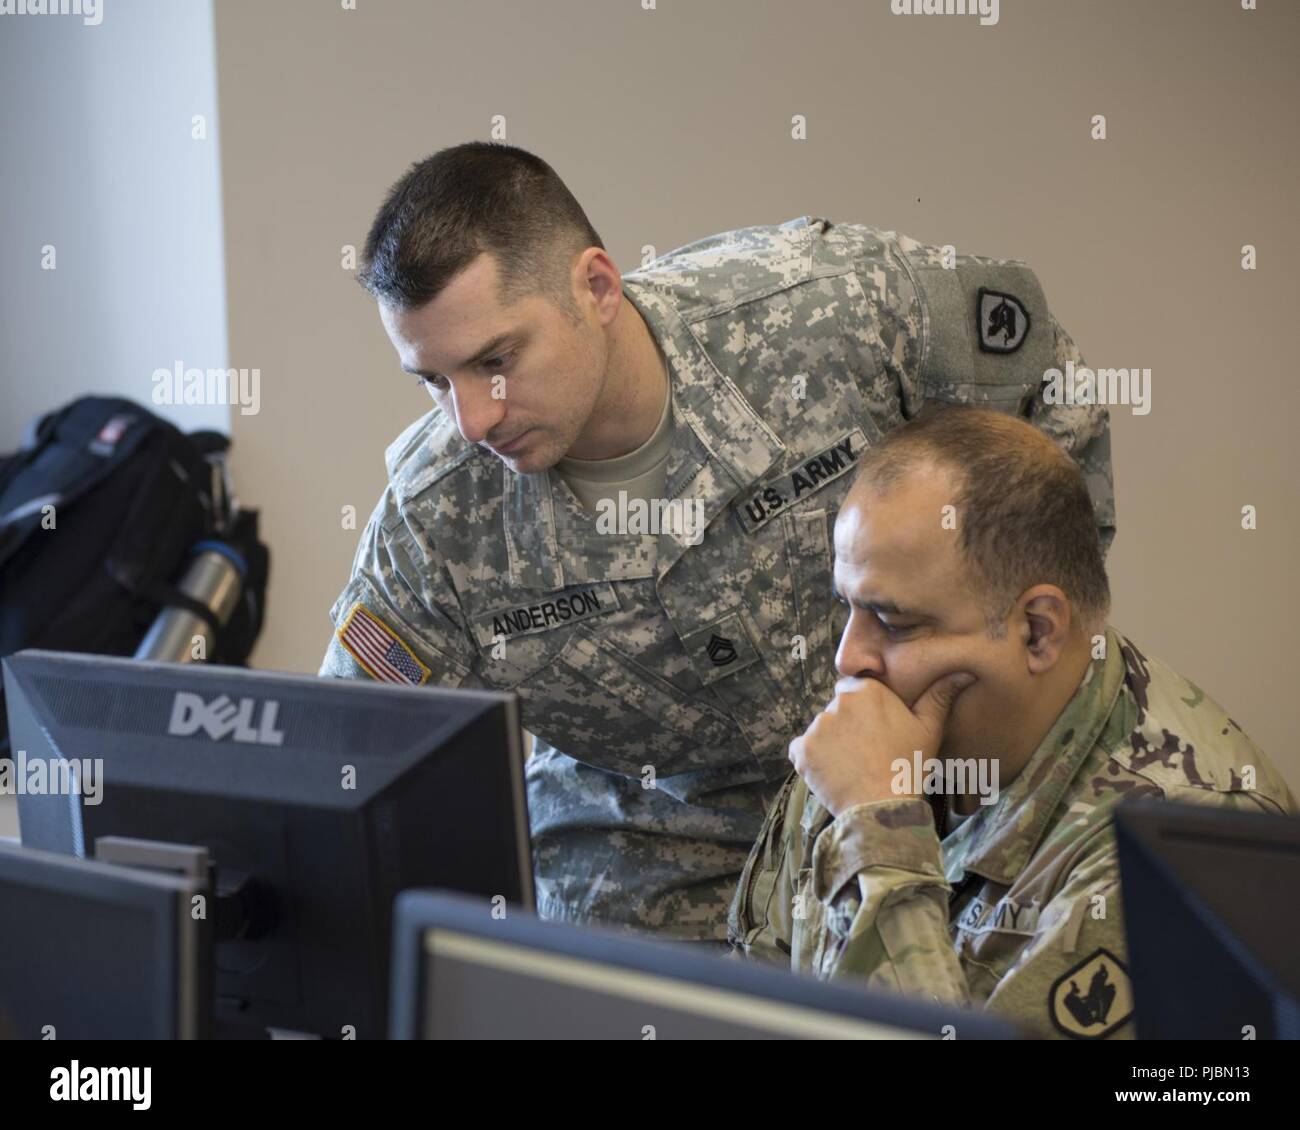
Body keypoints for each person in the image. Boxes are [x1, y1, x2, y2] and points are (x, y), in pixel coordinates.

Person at [319, 140, 1115, 942]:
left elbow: (1052, 395)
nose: (472, 419)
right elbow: (347, 761)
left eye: (496, 359)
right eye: (433, 380)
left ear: (595, 286)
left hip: (924, 807)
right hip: (643, 870)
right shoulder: (435, 520)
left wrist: (993, 704)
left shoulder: (831, 313)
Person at [727, 406, 1295, 1036]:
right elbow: (748, 1001)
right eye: (849, 608)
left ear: (1037, 630)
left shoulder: (1179, 850)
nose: (848, 659)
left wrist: (877, 829)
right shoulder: (876, 727)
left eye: (896, 622)